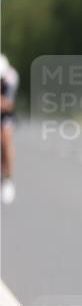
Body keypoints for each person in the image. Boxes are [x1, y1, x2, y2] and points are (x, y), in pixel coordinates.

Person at [1, 54, 19, 204]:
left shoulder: (11, 77)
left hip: (5, 114)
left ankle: (7, 178)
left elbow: (8, 104)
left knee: (6, 141)